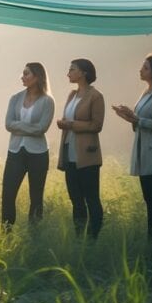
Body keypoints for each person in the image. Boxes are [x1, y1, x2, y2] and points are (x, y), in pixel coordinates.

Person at [112, 54, 152, 257]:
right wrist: (129, 116)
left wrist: (137, 119)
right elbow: (139, 121)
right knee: (150, 201)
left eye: (146, 67)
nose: (141, 70)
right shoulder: (146, 92)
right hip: (144, 153)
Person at [56, 58, 104, 239]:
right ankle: (79, 238)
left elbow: (97, 125)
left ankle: (93, 239)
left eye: (72, 69)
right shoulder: (72, 95)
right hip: (69, 153)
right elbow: (68, 120)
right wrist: (64, 123)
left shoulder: (96, 96)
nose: (68, 73)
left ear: (83, 73)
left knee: (91, 199)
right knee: (75, 199)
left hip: (87, 156)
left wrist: (71, 124)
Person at [1, 62, 55, 227]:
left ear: (37, 77)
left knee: (36, 197)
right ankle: (6, 232)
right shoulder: (15, 98)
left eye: (26, 74)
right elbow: (8, 124)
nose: (22, 77)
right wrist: (29, 127)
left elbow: (42, 128)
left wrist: (18, 126)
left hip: (38, 154)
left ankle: (34, 233)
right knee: (8, 194)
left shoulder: (48, 101)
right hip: (15, 152)